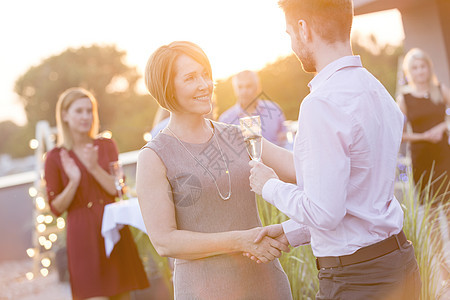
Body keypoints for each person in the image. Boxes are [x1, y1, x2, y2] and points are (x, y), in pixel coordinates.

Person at [248, 1, 421, 299]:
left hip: (357, 280)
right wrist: (290, 233)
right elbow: (358, 201)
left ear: (303, 29)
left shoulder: (321, 103)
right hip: (398, 263)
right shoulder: (376, 90)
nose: (291, 43)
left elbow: (325, 212)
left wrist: (268, 185)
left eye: (289, 33)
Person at [136, 41, 292, 299]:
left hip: (267, 284)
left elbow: (300, 169)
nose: (205, 84)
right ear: (166, 87)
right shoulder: (153, 156)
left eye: (206, 74)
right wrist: (239, 241)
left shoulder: (243, 133)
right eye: (190, 78)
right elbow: (165, 241)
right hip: (205, 290)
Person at [44, 87, 149, 300]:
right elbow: (56, 208)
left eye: (89, 110)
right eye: (79, 111)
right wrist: (74, 181)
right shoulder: (55, 157)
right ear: (64, 115)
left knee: (123, 294)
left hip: (113, 228)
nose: (86, 116)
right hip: (82, 235)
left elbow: (117, 190)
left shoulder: (106, 145)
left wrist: (93, 168)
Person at [397, 48, 450, 201]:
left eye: (422, 66)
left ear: (429, 68)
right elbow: (400, 135)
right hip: (421, 159)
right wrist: (424, 136)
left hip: (444, 155)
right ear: (409, 71)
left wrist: (443, 126)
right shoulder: (404, 99)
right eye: (415, 67)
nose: (420, 71)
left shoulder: (441, 90)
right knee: (430, 209)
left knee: (448, 208)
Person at [219, 70, 287, 147]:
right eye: (240, 87)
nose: (244, 91)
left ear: (258, 88)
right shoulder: (225, 120)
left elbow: (285, 141)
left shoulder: (274, 109)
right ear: (235, 90)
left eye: (249, 86)